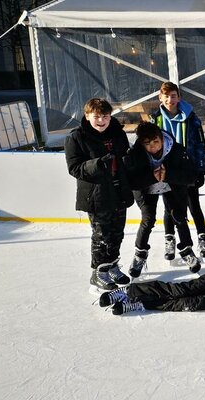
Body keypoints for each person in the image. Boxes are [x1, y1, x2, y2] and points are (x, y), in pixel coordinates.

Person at [65, 98, 134, 292]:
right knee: (101, 235)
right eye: (97, 116)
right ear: (87, 116)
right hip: (97, 194)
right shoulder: (76, 137)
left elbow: (125, 157)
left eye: (105, 116)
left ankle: (111, 266)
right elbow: (74, 167)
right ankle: (97, 273)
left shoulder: (117, 133)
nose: (101, 120)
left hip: (119, 190)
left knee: (117, 233)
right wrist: (97, 164)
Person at [124, 122, 199, 276]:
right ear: (141, 143)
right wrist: (152, 177)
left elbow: (191, 176)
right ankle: (139, 255)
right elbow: (131, 182)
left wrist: (168, 175)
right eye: (147, 144)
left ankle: (187, 251)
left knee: (179, 216)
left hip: (172, 186)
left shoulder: (176, 150)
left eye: (156, 142)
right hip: (147, 188)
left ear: (162, 139)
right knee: (148, 219)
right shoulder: (135, 154)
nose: (153, 147)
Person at [150, 82, 205, 261]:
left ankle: (202, 237)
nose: (170, 99)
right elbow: (149, 146)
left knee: (193, 204)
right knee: (169, 207)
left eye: (173, 96)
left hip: (187, 168)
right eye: (166, 96)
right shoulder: (156, 119)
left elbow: (200, 146)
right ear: (160, 98)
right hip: (165, 169)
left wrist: (200, 170)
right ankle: (170, 239)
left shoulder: (191, 118)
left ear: (179, 97)